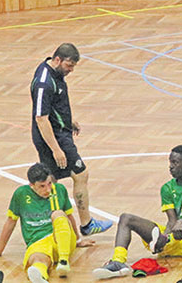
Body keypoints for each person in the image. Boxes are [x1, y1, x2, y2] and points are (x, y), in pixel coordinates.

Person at [91, 145, 182, 279]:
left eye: (175, 162)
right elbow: (172, 220)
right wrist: (164, 238)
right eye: (170, 162)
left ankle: (169, 238)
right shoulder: (166, 188)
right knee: (126, 218)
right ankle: (118, 262)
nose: (170, 166)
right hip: (173, 239)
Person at [29, 43, 113, 236]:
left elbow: (53, 106)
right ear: (57, 60)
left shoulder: (55, 73)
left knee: (53, 181)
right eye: (69, 65)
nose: (71, 70)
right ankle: (82, 225)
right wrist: (56, 149)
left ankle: (59, 225)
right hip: (53, 137)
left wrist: (68, 120)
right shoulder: (44, 82)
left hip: (61, 131)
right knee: (72, 176)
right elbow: (41, 119)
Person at [0, 163, 94, 283]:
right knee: (37, 261)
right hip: (37, 242)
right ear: (31, 185)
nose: (48, 189)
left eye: (49, 183)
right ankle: (40, 277)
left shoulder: (59, 190)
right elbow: (10, 222)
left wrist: (77, 240)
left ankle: (63, 261)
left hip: (62, 241)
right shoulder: (21, 194)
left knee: (58, 214)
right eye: (42, 186)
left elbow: (69, 217)